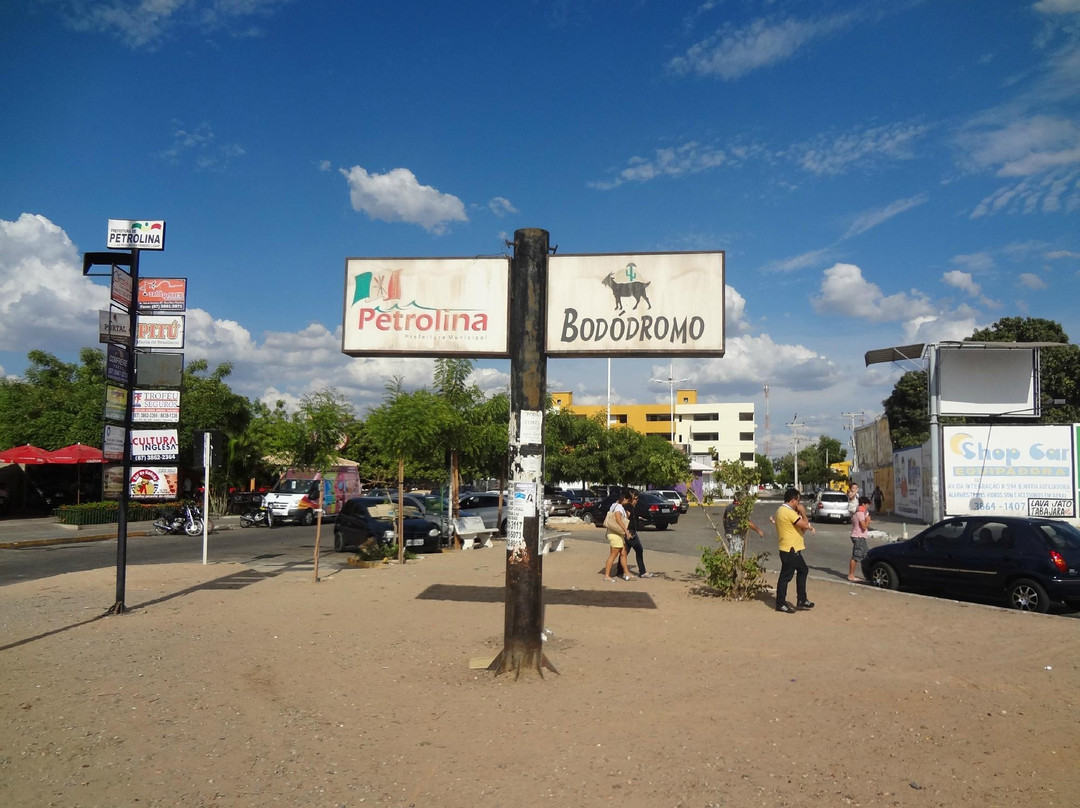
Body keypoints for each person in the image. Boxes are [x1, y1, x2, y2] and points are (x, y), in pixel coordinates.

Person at [774, 487, 815, 613]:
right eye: (798, 500)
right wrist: (803, 512)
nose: (799, 503)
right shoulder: (789, 512)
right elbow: (804, 525)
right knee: (787, 576)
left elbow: (801, 528)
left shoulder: (780, 510)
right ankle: (782, 603)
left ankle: (801, 599)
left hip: (789, 548)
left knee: (801, 570)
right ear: (793, 500)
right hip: (790, 549)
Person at [603, 490, 633, 582]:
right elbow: (618, 519)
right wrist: (626, 531)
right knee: (614, 554)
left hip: (616, 533)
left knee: (623, 553)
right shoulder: (619, 507)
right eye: (628, 500)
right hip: (615, 533)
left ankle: (626, 572)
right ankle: (607, 575)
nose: (628, 503)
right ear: (624, 499)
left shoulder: (614, 505)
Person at [621, 493, 654, 578]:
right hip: (630, 532)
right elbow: (625, 518)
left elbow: (631, 516)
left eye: (637, 498)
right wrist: (626, 531)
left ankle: (619, 570)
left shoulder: (631, 507)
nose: (637, 500)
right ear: (631, 499)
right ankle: (642, 572)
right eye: (635, 498)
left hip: (631, 531)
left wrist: (638, 518)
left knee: (625, 552)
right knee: (639, 550)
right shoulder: (628, 507)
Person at [848, 496, 872, 581]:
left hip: (860, 536)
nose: (868, 506)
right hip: (858, 536)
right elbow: (864, 526)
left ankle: (868, 574)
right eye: (867, 504)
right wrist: (868, 521)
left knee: (865, 555)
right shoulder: (860, 513)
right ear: (863, 504)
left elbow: (867, 516)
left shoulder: (861, 511)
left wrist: (868, 518)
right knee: (856, 556)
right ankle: (851, 575)